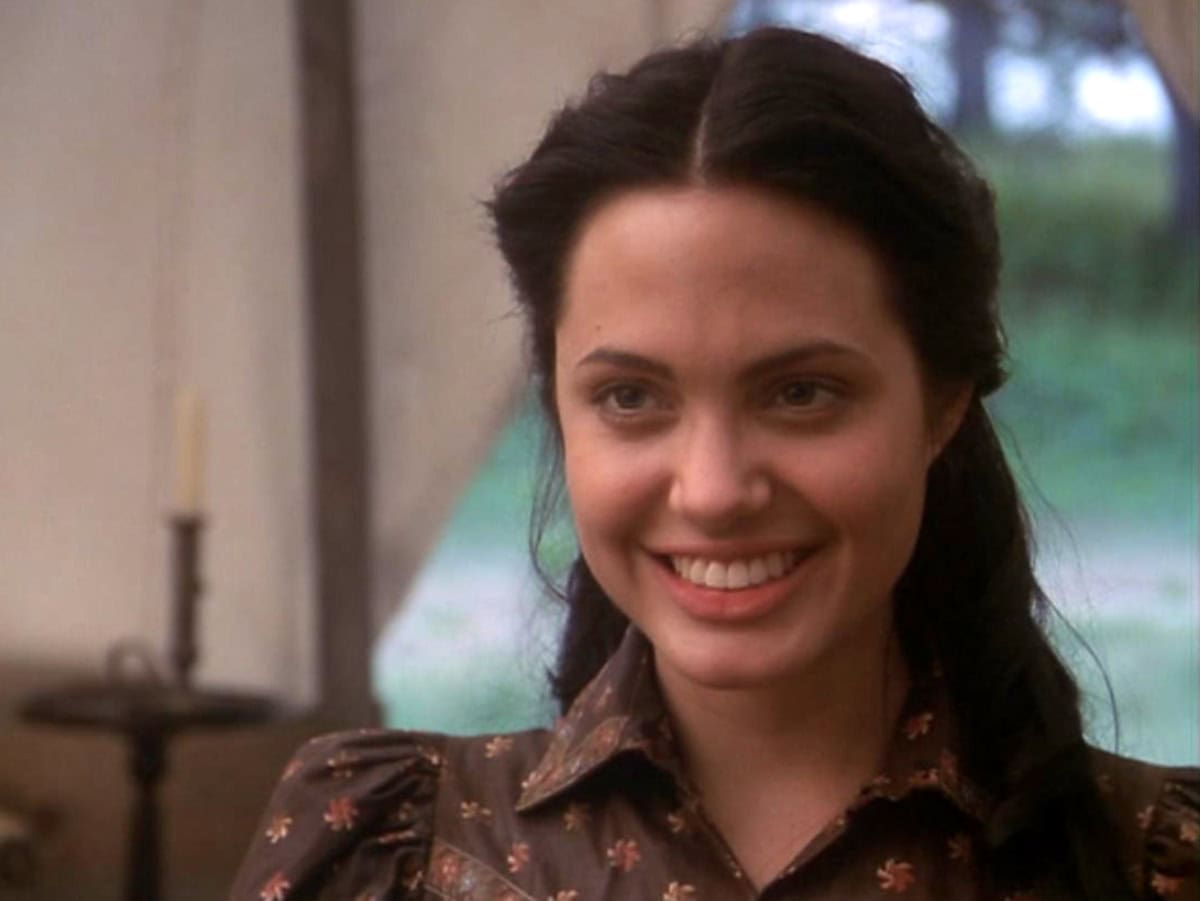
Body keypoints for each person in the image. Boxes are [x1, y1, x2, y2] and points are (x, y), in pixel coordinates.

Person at [231, 27, 1198, 900]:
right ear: (559, 410)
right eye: (630, 397)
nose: (714, 489)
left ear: (943, 404)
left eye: (801, 392)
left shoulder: (1151, 864)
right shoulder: (397, 854)